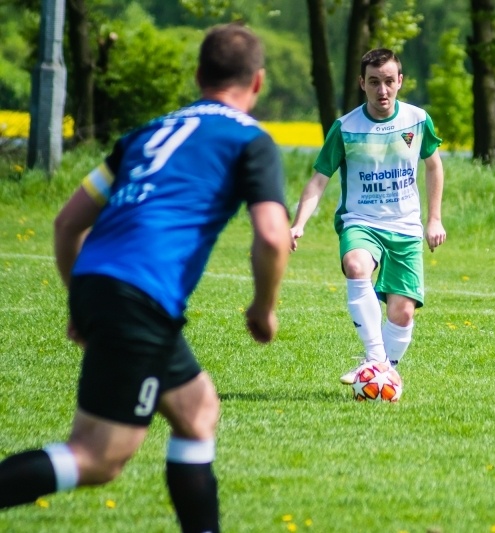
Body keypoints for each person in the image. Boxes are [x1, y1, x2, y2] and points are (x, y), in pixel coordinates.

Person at [0, 23, 290, 533]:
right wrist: (263, 308)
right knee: (97, 457)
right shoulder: (250, 139)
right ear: (259, 82)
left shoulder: (144, 134)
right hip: (141, 294)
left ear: (199, 75)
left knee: (197, 410)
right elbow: (271, 234)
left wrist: (83, 302)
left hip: (99, 280)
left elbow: (67, 222)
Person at [290, 48, 445, 384]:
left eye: (389, 81)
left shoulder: (417, 121)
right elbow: (319, 180)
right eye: (374, 82)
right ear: (362, 83)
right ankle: (376, 360)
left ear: (400, 81)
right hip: (361, 221)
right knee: (357, 266)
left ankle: (379, 371)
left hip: (405, 227)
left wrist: (434, 219)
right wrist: (299, 223)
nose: (383, 90)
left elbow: (434, 166)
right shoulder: (345, 128)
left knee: (402, 313)